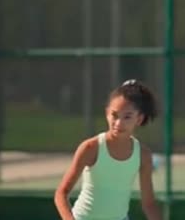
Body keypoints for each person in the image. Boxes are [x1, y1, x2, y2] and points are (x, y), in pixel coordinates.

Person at [54, 79, 162, 220]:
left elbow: (149, 204)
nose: (118, 123)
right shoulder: (90, 148)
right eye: (114, 115)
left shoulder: (143, 155)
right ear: (106, 113)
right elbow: (61, 194)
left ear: (139, 119)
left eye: (127, 117)